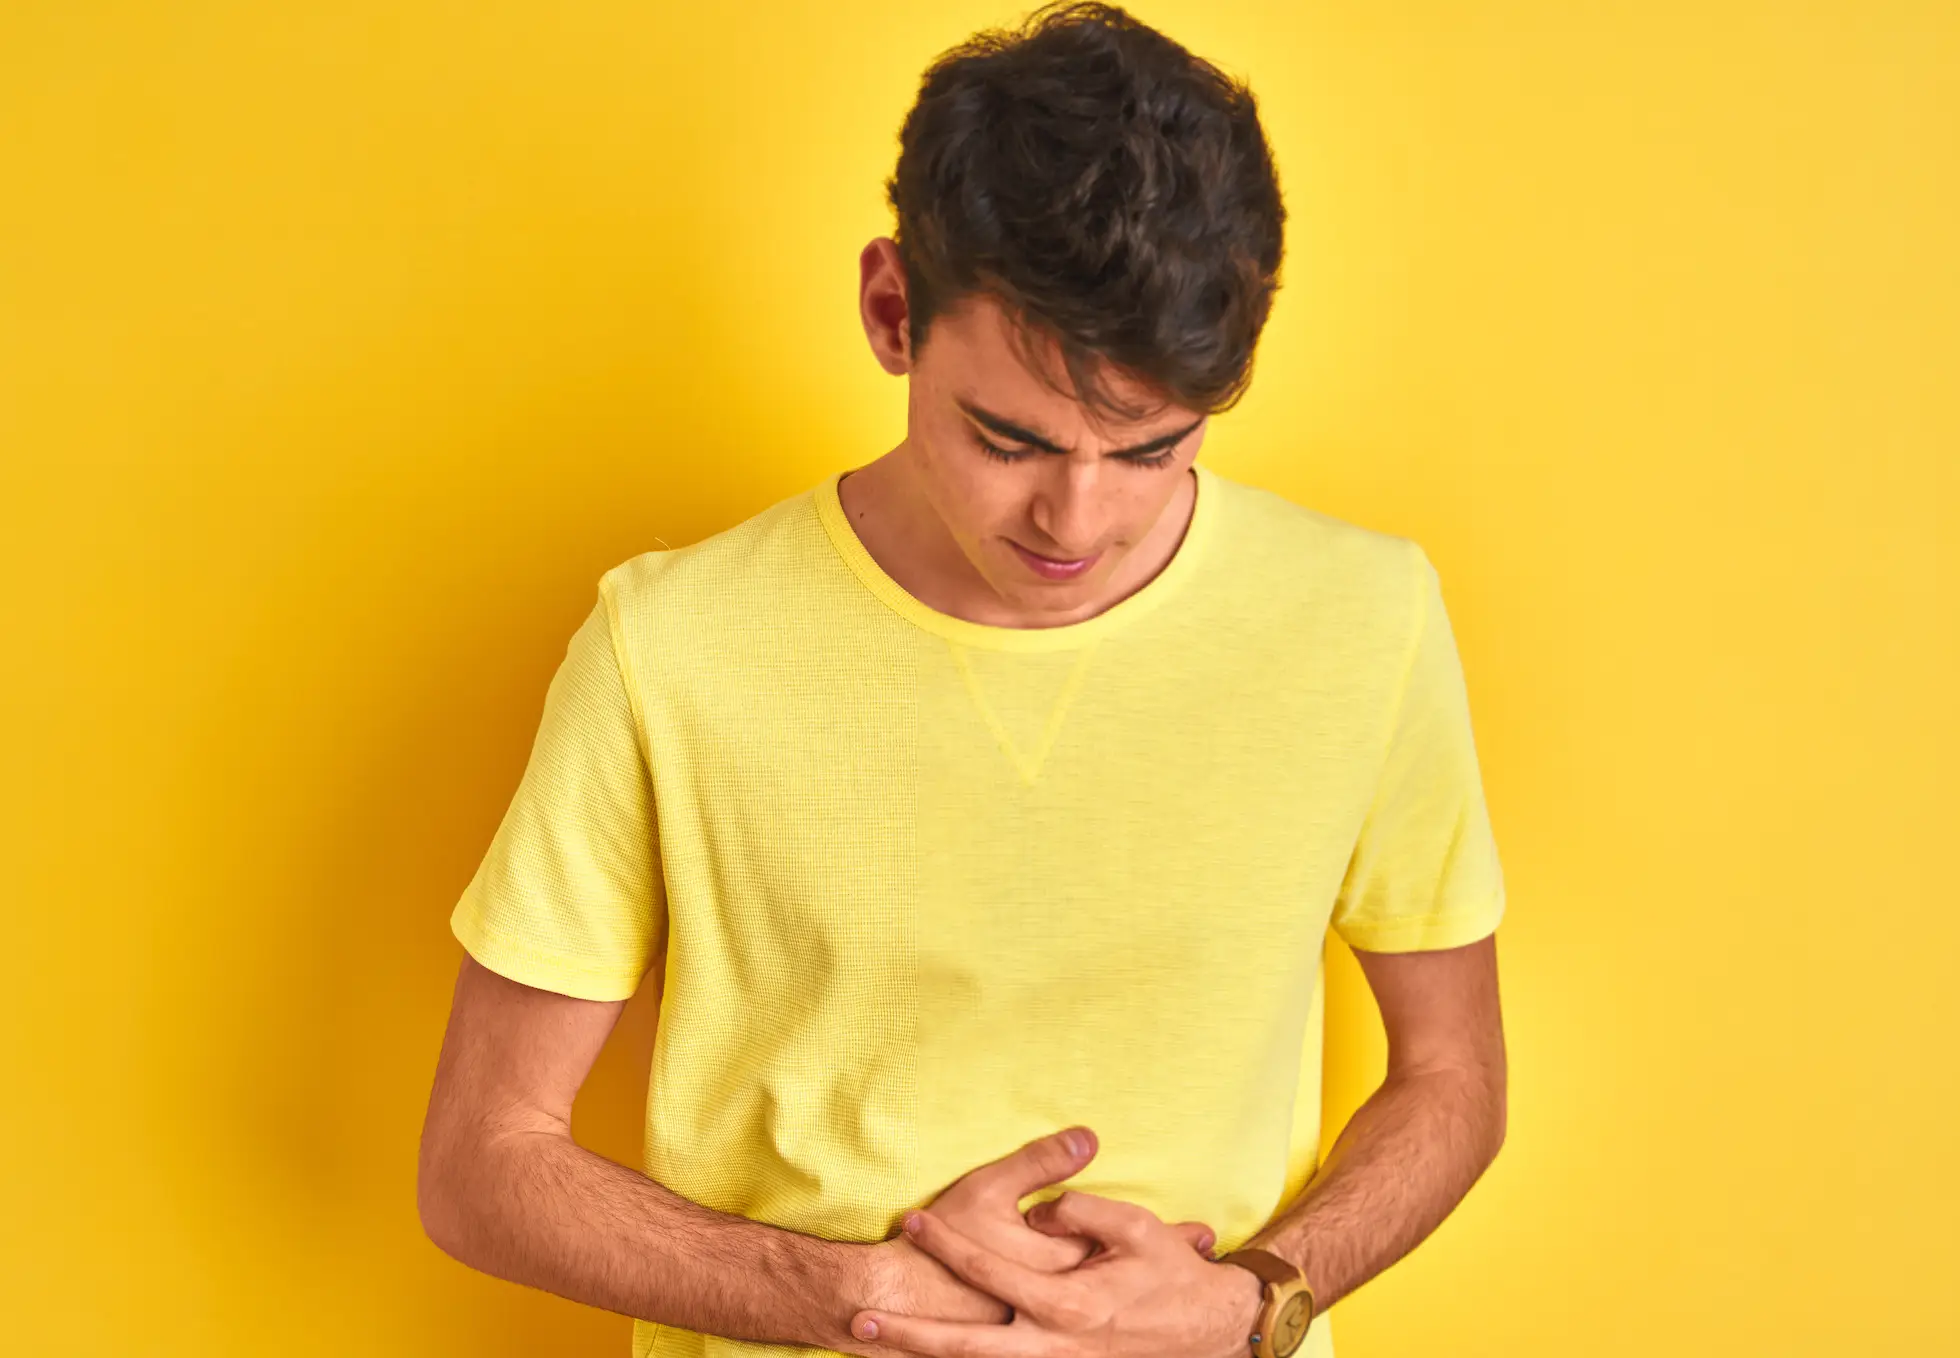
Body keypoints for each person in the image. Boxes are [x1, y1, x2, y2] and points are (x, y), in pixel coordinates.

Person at [415, 4, 1508, 1357]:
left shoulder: (1366, 615)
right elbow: (480, 1157)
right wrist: (839, 1296)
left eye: (1153, 447)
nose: (1075, 519)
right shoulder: (670, 642)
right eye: (1010, 437)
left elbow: (1453, 1077)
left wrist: (1255, 1297)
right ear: (890, 310)